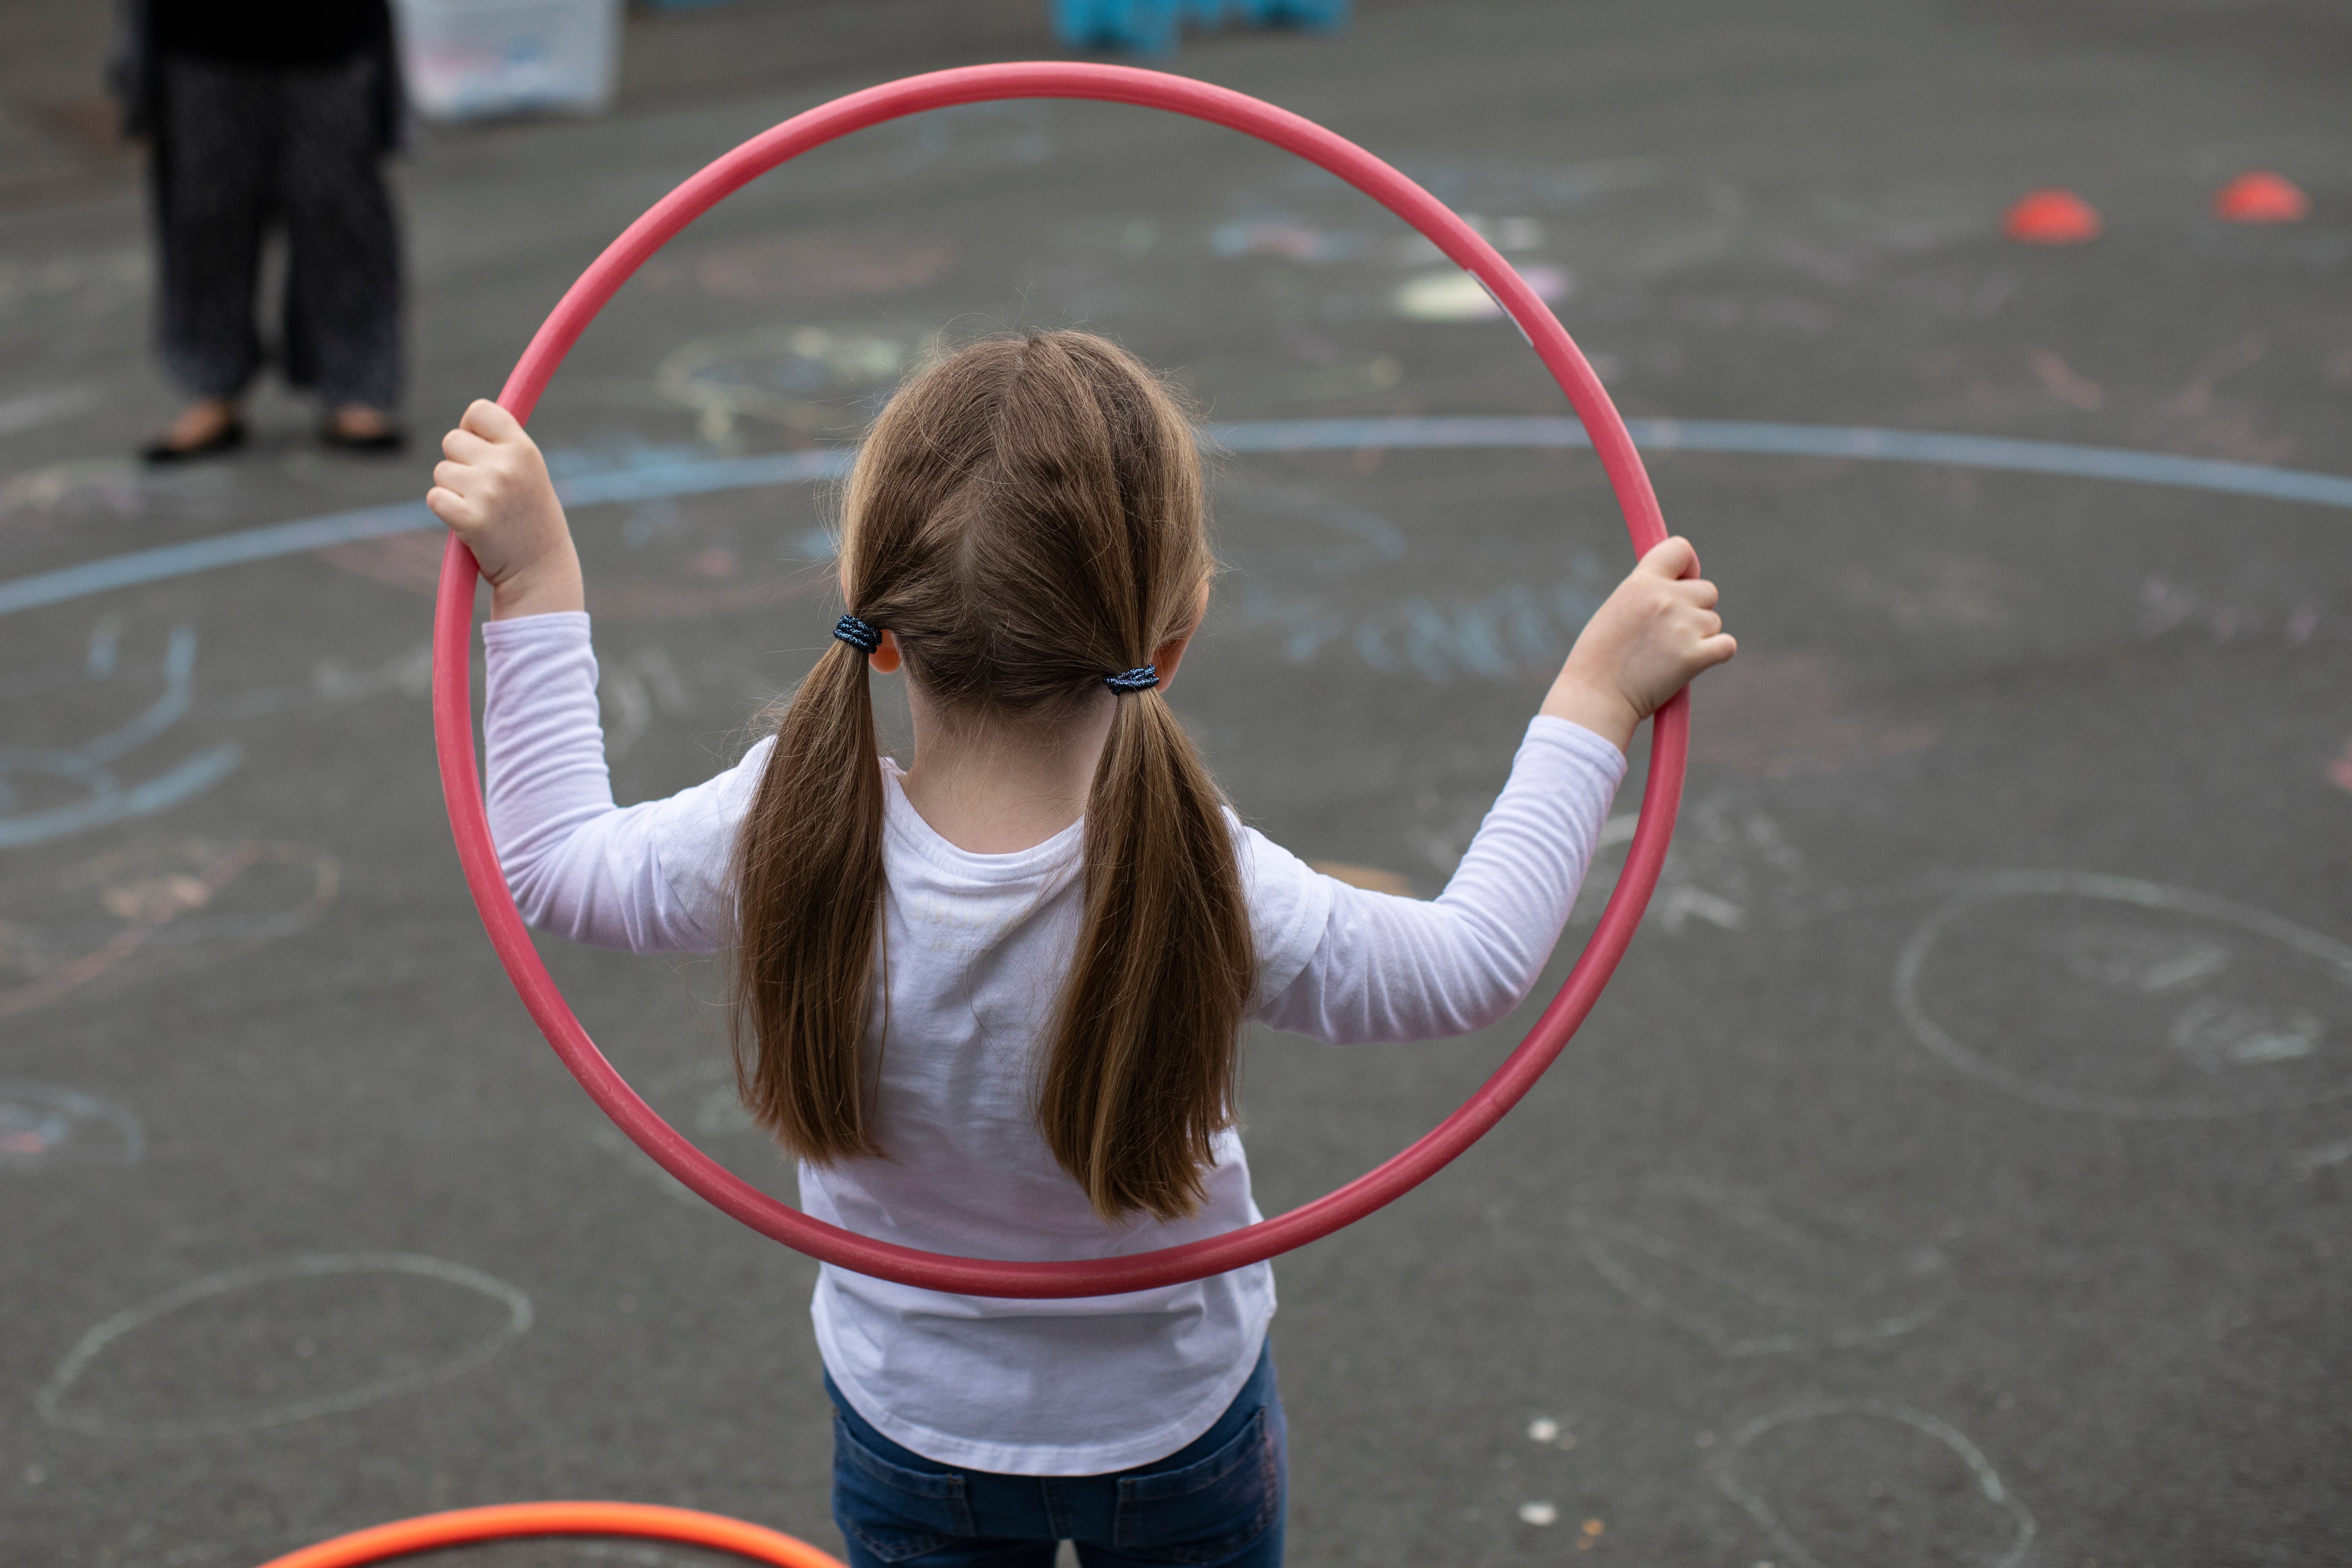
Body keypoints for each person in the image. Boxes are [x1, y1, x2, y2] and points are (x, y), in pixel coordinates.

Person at [426, 331, 1734, 1568]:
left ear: (874, 622)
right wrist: (1593, 700)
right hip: (1171, 1426)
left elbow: (547, 864)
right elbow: (1468, 963)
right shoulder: (1198, 873)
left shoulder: (781, 824)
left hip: (912, 1425)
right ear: (1171, 638)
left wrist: (534, 580)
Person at [110, 0, 407, 461]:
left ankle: (353, 386)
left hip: (330, 39)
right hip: (200, 40)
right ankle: (212, 387)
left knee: (343, 217)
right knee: (206, 222)